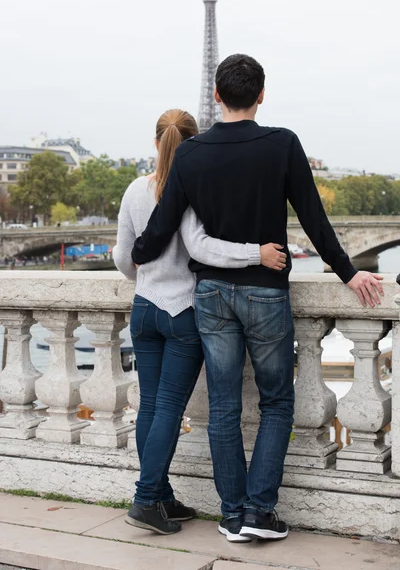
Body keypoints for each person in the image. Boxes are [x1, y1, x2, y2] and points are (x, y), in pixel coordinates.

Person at [131, 54, 384, 543]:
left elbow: (163, 227)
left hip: (210, 296)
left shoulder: (190, 154)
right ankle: (259, 512)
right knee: (276, 402)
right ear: (262, 95)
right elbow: (313, 217)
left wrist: (139, 254)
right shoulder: (282, 144)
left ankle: (231, 515)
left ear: (218, 97)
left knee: (224, 409)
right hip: (266, 293)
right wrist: (349, 272)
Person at [113, 108, 284, 537]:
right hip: (182, 311)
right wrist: (255, 254)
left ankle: (162, 495)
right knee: (168, 408)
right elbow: (201, 248)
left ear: (156, 142)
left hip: (144, 306)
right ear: (194, 145)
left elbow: (123, 256)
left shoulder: (136, 189)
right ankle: (146, 498)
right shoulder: (190, 187)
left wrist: (147, 276)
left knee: (149, 406)